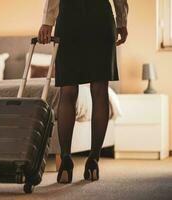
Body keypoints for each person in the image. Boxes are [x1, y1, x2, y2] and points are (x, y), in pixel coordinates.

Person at [38, 0, 128, 183]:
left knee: (68, 91)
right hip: (100, 18)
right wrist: (122, 21)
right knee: (100, 91)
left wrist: (48, 21)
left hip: (69, 18)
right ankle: (93, 160)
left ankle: (65, 160)